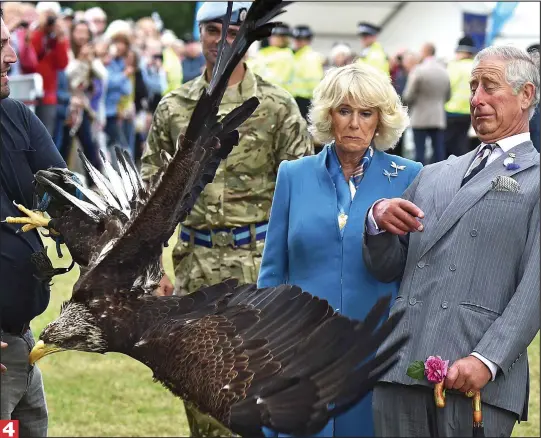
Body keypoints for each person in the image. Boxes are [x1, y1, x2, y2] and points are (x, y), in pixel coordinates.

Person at [140, 2, 312, 433]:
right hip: (194, 265)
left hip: (257, 262)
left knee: (260, 387)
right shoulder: (174, 107)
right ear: (200, 35)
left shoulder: (275, 106)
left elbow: (304, 195)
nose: (221, 40)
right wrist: (151, 267)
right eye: (212, 30)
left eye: (233, 30)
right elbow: (148, 197)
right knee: (199, 387)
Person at [364, 45, 540, 437]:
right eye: (473, 86)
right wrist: (376, 222)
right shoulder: (434, 173)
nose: (476, 99)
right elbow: (387, 266)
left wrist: (487, 359)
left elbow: (535, 289)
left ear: (526, 95)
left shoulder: (537, 178)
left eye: (489, 87)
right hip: (399, 368)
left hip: (474, 379)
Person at [258, 62, 422, 437]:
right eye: (344, 110)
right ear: (327, 115)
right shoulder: (293, 174)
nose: (354, 123)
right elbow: (272, 272)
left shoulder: (410, 175)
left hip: (375, 351)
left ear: (381, 120)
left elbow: (416, 270)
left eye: (366, 113)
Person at [0, 8, 66, 436]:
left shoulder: (17, 117)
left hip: (21, 343)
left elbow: (69, 198)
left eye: (9, 41)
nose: (11, 54)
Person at [402, 42, 450, 164]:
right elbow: (448, 95)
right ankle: (441, 176)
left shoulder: (418, 70)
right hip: (438, 116)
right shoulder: (444, 71)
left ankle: (420, 177)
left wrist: (407, 104)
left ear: (424, 52)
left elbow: (408, 94)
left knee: (419, 152)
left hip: (420, 115)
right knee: (439, 151)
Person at [30, 1, 69, 136]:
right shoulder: (33, 32)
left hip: (49, 95)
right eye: (47, 15)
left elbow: (62, 64)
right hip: (31, 91)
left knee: (45, 135)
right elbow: (32, 57)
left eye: (52, 16)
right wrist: (40, 29)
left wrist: (60, 39)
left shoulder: (57, 37)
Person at [444, 36, 477, 158]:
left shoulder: (455, 66)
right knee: (462, 141)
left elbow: (448, 85)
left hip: (451, 109)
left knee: (448, 143)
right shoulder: (475, 66)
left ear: (462, 51)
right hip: (468, 110)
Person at [289, 25, 324, 120]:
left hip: (305, 100)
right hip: (295, 99)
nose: (297, 42)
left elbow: (314, 81)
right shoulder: (296, 55)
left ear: (308, 41)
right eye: (296, 39)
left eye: (301, 39)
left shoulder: (310, 57)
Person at [249, 23, 295, 93]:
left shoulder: (286, 55)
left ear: (283, 38)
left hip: (275, 95)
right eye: (271, 35)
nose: (271, 38)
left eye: (276, 36)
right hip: (258, 92)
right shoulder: (264, 51)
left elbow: (275, 80)